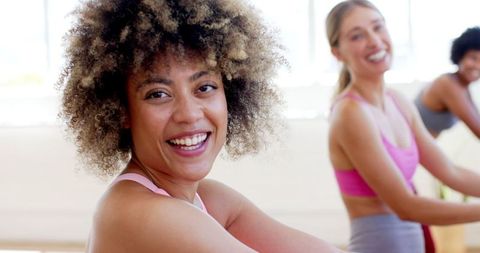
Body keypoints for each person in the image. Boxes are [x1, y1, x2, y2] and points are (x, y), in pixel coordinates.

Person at [58, 0, 343, 252]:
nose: (189, 114)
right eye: (158, 94)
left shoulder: (210, 199)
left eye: (205, 87)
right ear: (121, 111)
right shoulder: (141, 213)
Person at [325, 1, 480, 253]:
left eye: (378, 28)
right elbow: (406, 206)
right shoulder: (350, 114)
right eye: (357, 36)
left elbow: (451, 172)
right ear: (337, 52)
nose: (374, 41)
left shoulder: (398, 101)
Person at [415, 27, 480, 138]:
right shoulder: (447, 84)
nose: (478, 66)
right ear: (460, 56)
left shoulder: (463, 87)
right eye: (473, 58)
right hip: (401, 148)